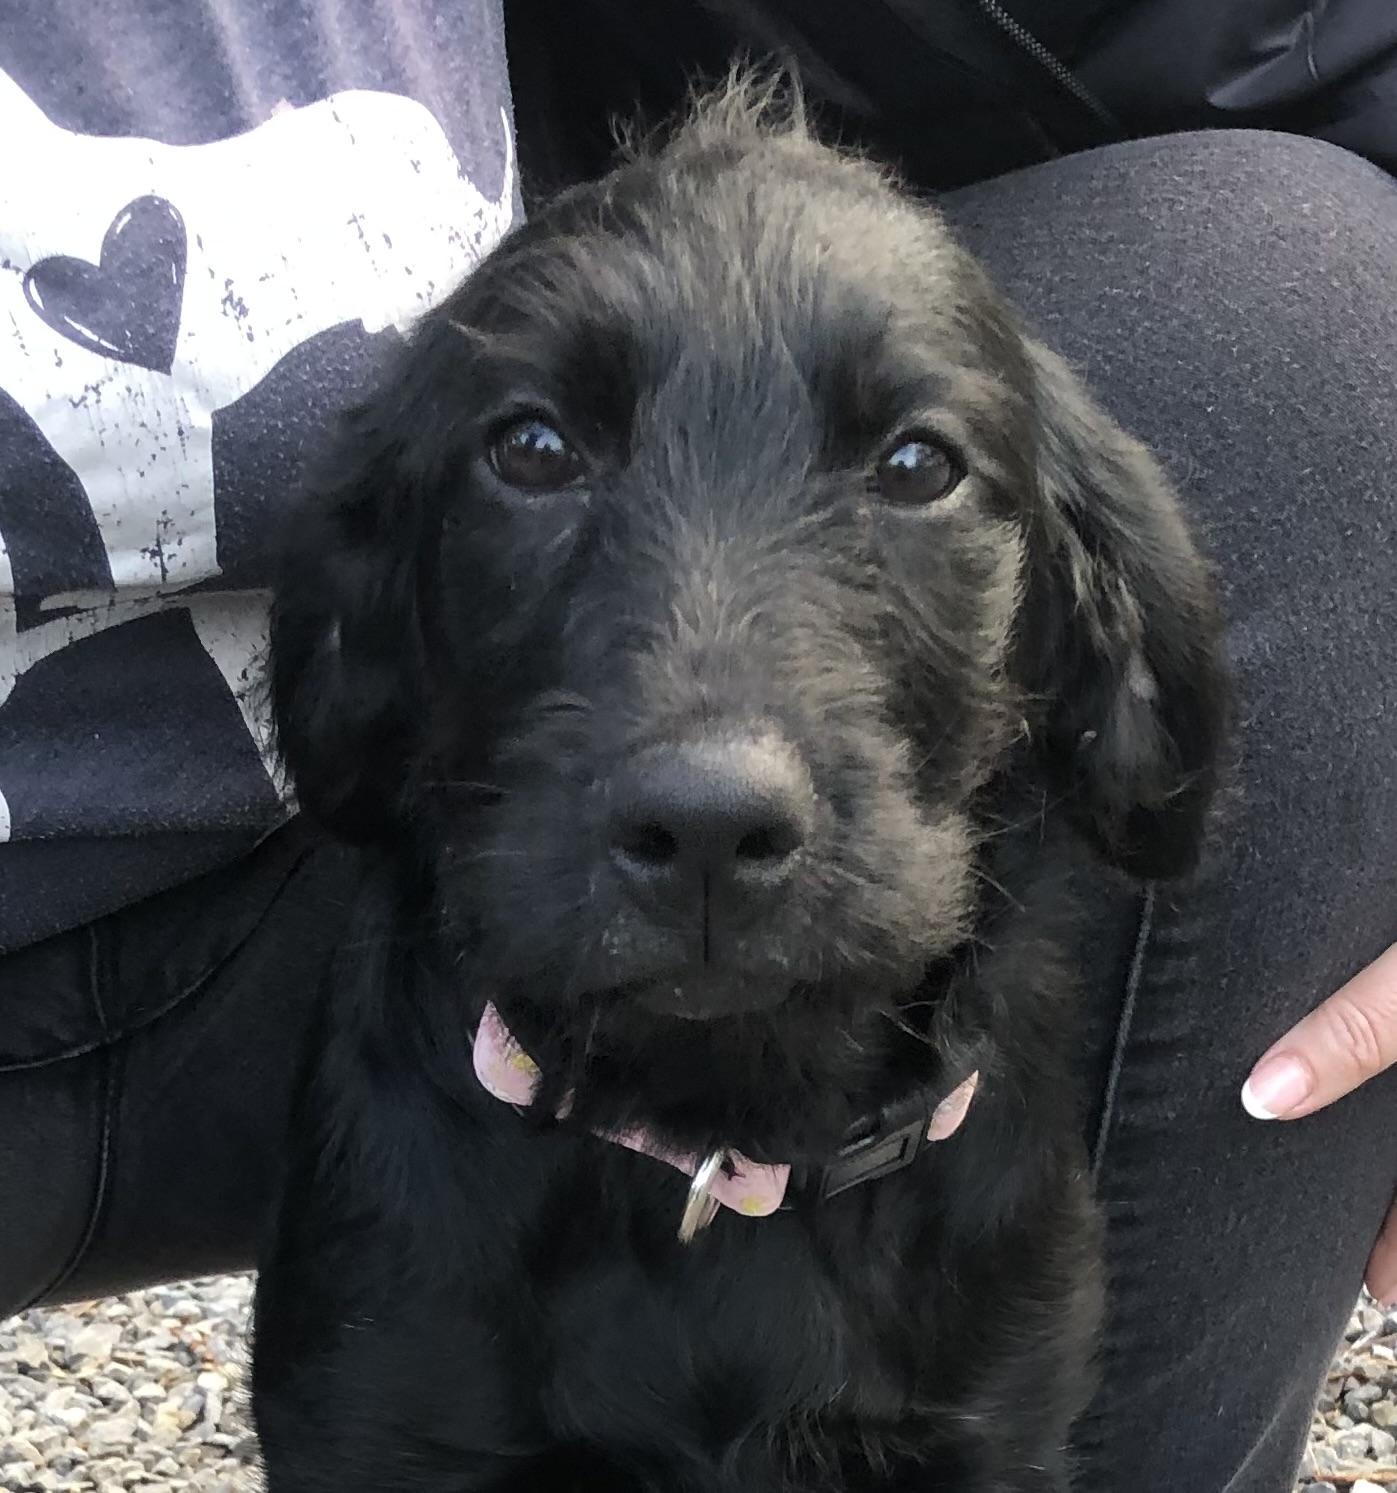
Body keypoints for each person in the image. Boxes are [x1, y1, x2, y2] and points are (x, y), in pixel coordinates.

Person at [0, 2, 1393, 1486]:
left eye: (913, 468)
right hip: (221, 901)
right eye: (537, 455)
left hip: (270, 850)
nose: (721, 772)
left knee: (1320, 315)